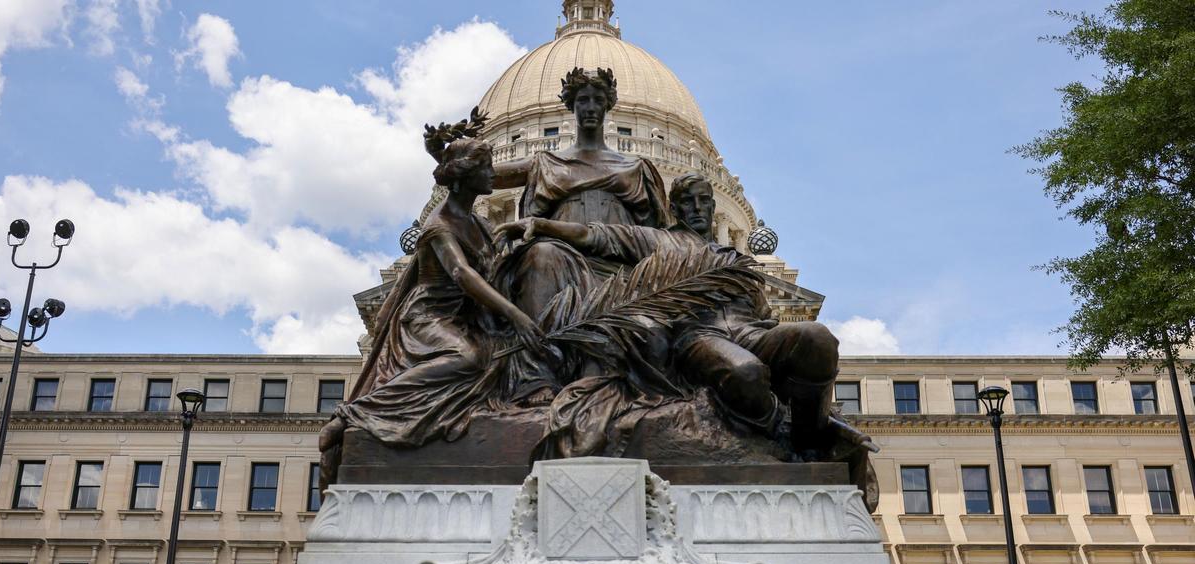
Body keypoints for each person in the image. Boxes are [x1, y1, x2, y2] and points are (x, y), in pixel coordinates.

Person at [494, 173, 879, 464]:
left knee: (817, 338)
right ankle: (776, 427)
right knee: (746, 373)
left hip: (752, 331)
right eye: (688, 202)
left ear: (715, 209)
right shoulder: (658, 242)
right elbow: (595, 234)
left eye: (704, 202)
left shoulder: (736, 260)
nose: (697, 209)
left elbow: (763, 314)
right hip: (699, 336)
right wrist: (542, 225)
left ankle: (811, 439)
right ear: (674, 210)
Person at [317, 121, 546, 488]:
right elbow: (462, 274)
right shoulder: (440, 226)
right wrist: (515, 315)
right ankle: (355, 414)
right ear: (465, 176)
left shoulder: (480, 223)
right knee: (466, 358)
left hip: (468, 317)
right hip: (428, 319)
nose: (495, 174)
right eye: (487, 168)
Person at [490, 67, 671, 405]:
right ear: (570, 106)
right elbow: (480, 176)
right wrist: (448, 157)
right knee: (541, 255)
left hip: (619, 266)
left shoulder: (635, 167)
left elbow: (658, 236)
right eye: (583, 100)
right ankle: (537, 379)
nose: (590, 107)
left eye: (597, 100)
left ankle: (603, 375)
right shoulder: (548, 162)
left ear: (608, 106)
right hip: (558, 259)